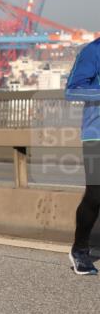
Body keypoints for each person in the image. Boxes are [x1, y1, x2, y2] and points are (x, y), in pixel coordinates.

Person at [64, 37, 100, 275]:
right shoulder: (94, 50)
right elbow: (72, 89)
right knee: (97, 193)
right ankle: (80, 249)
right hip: (96, 134)